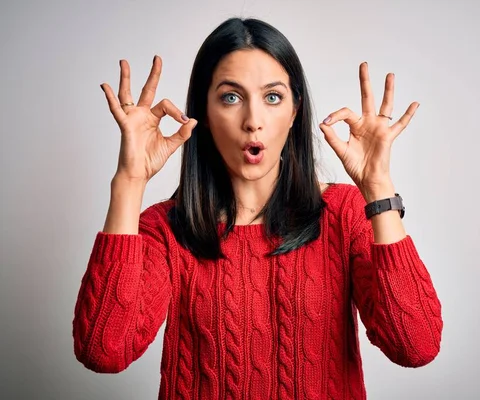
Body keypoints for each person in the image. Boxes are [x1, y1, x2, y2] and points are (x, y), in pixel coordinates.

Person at [72, 17, 443, 400]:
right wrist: (130, 181)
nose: (253, 122)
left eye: (272, 97)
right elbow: (103, 351)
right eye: (231, 97)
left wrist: (378, 188)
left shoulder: (343, 213)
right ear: (204, 113)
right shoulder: (165, 229)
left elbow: (416, 346)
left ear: (295, 110)